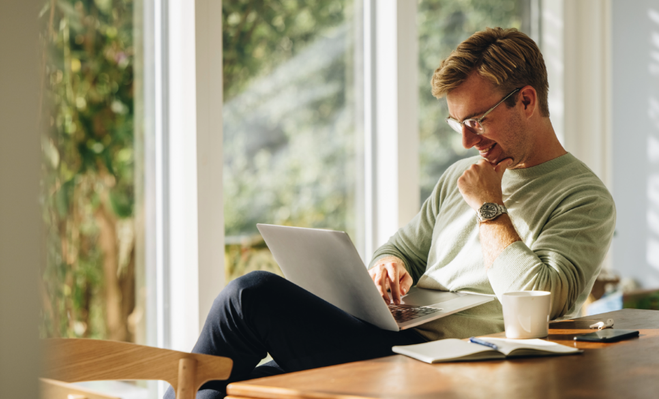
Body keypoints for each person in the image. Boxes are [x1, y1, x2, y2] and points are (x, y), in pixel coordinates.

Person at [164, 27, 616, 399]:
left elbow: (541, 296)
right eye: (457, 124)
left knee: (250, 296)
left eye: (477, 121)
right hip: (393, 338)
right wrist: (389, 266)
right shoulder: (461, 174)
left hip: (457, 359)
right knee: (221, 387)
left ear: (526, 101)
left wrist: (489, 207)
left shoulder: (583, 198)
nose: (466, 141)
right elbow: (401, 247)